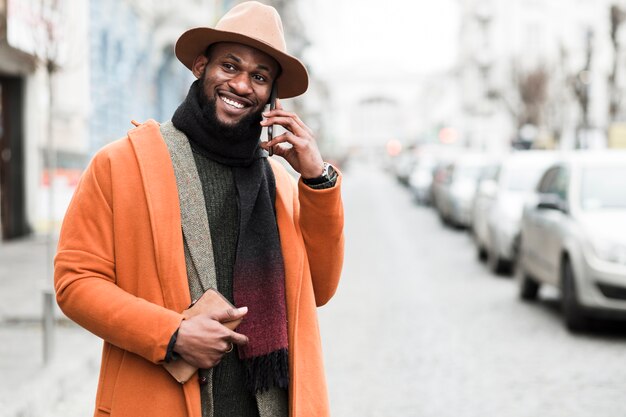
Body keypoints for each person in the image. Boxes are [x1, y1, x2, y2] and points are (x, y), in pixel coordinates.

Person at [54, 2, 344, 417]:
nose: (242, 85)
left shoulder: (280, 184)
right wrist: (171, 334)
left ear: (272, 97)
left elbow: (321, 287)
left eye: (259, 77)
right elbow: (75, 283)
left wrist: (318, 180)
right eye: (230, 66)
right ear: (200, 66)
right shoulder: (122, 164)